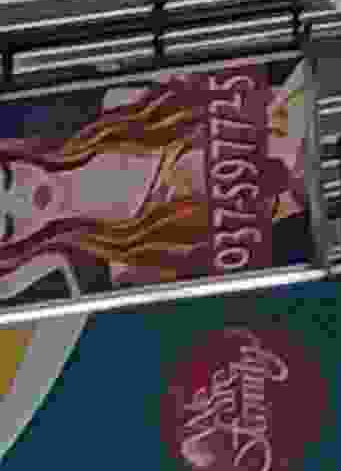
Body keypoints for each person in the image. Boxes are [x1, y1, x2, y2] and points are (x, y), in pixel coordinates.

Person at [0, 68, 312, 302]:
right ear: (17, 246)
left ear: (15, 157)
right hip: (318, 210)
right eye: (8, 224)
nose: (26, 198)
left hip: (306, 106)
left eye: (7, 179)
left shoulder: (118, 104)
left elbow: (236, 80)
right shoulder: (122, 268)